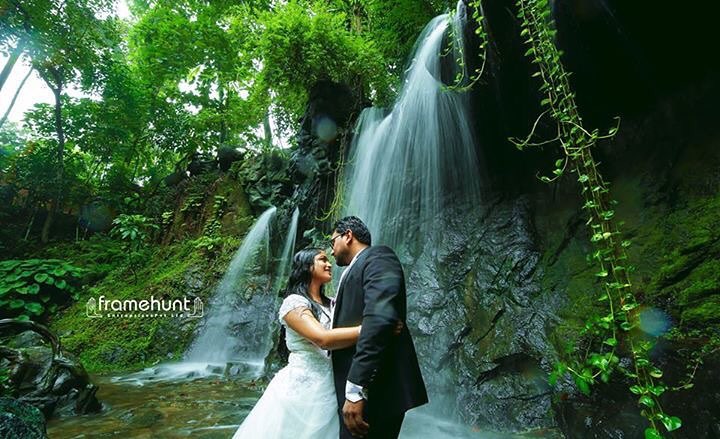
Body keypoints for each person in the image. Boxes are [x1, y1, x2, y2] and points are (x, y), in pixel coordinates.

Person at [232, 248, 402, 438]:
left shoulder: (332, 304)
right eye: (322, 260)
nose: (329, 264)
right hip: (302, 390)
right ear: (306, 266)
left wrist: (384, 321)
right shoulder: (293, 303)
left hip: (332, 386)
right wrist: (374, 329)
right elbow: (323, 339)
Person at [329, 216, 428, 439]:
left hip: (376, 389)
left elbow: (379, 317)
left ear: (348, 236)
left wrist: (356, 390)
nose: (332, 251)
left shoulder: (379, 256)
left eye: (332, 242)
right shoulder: (356, 268)